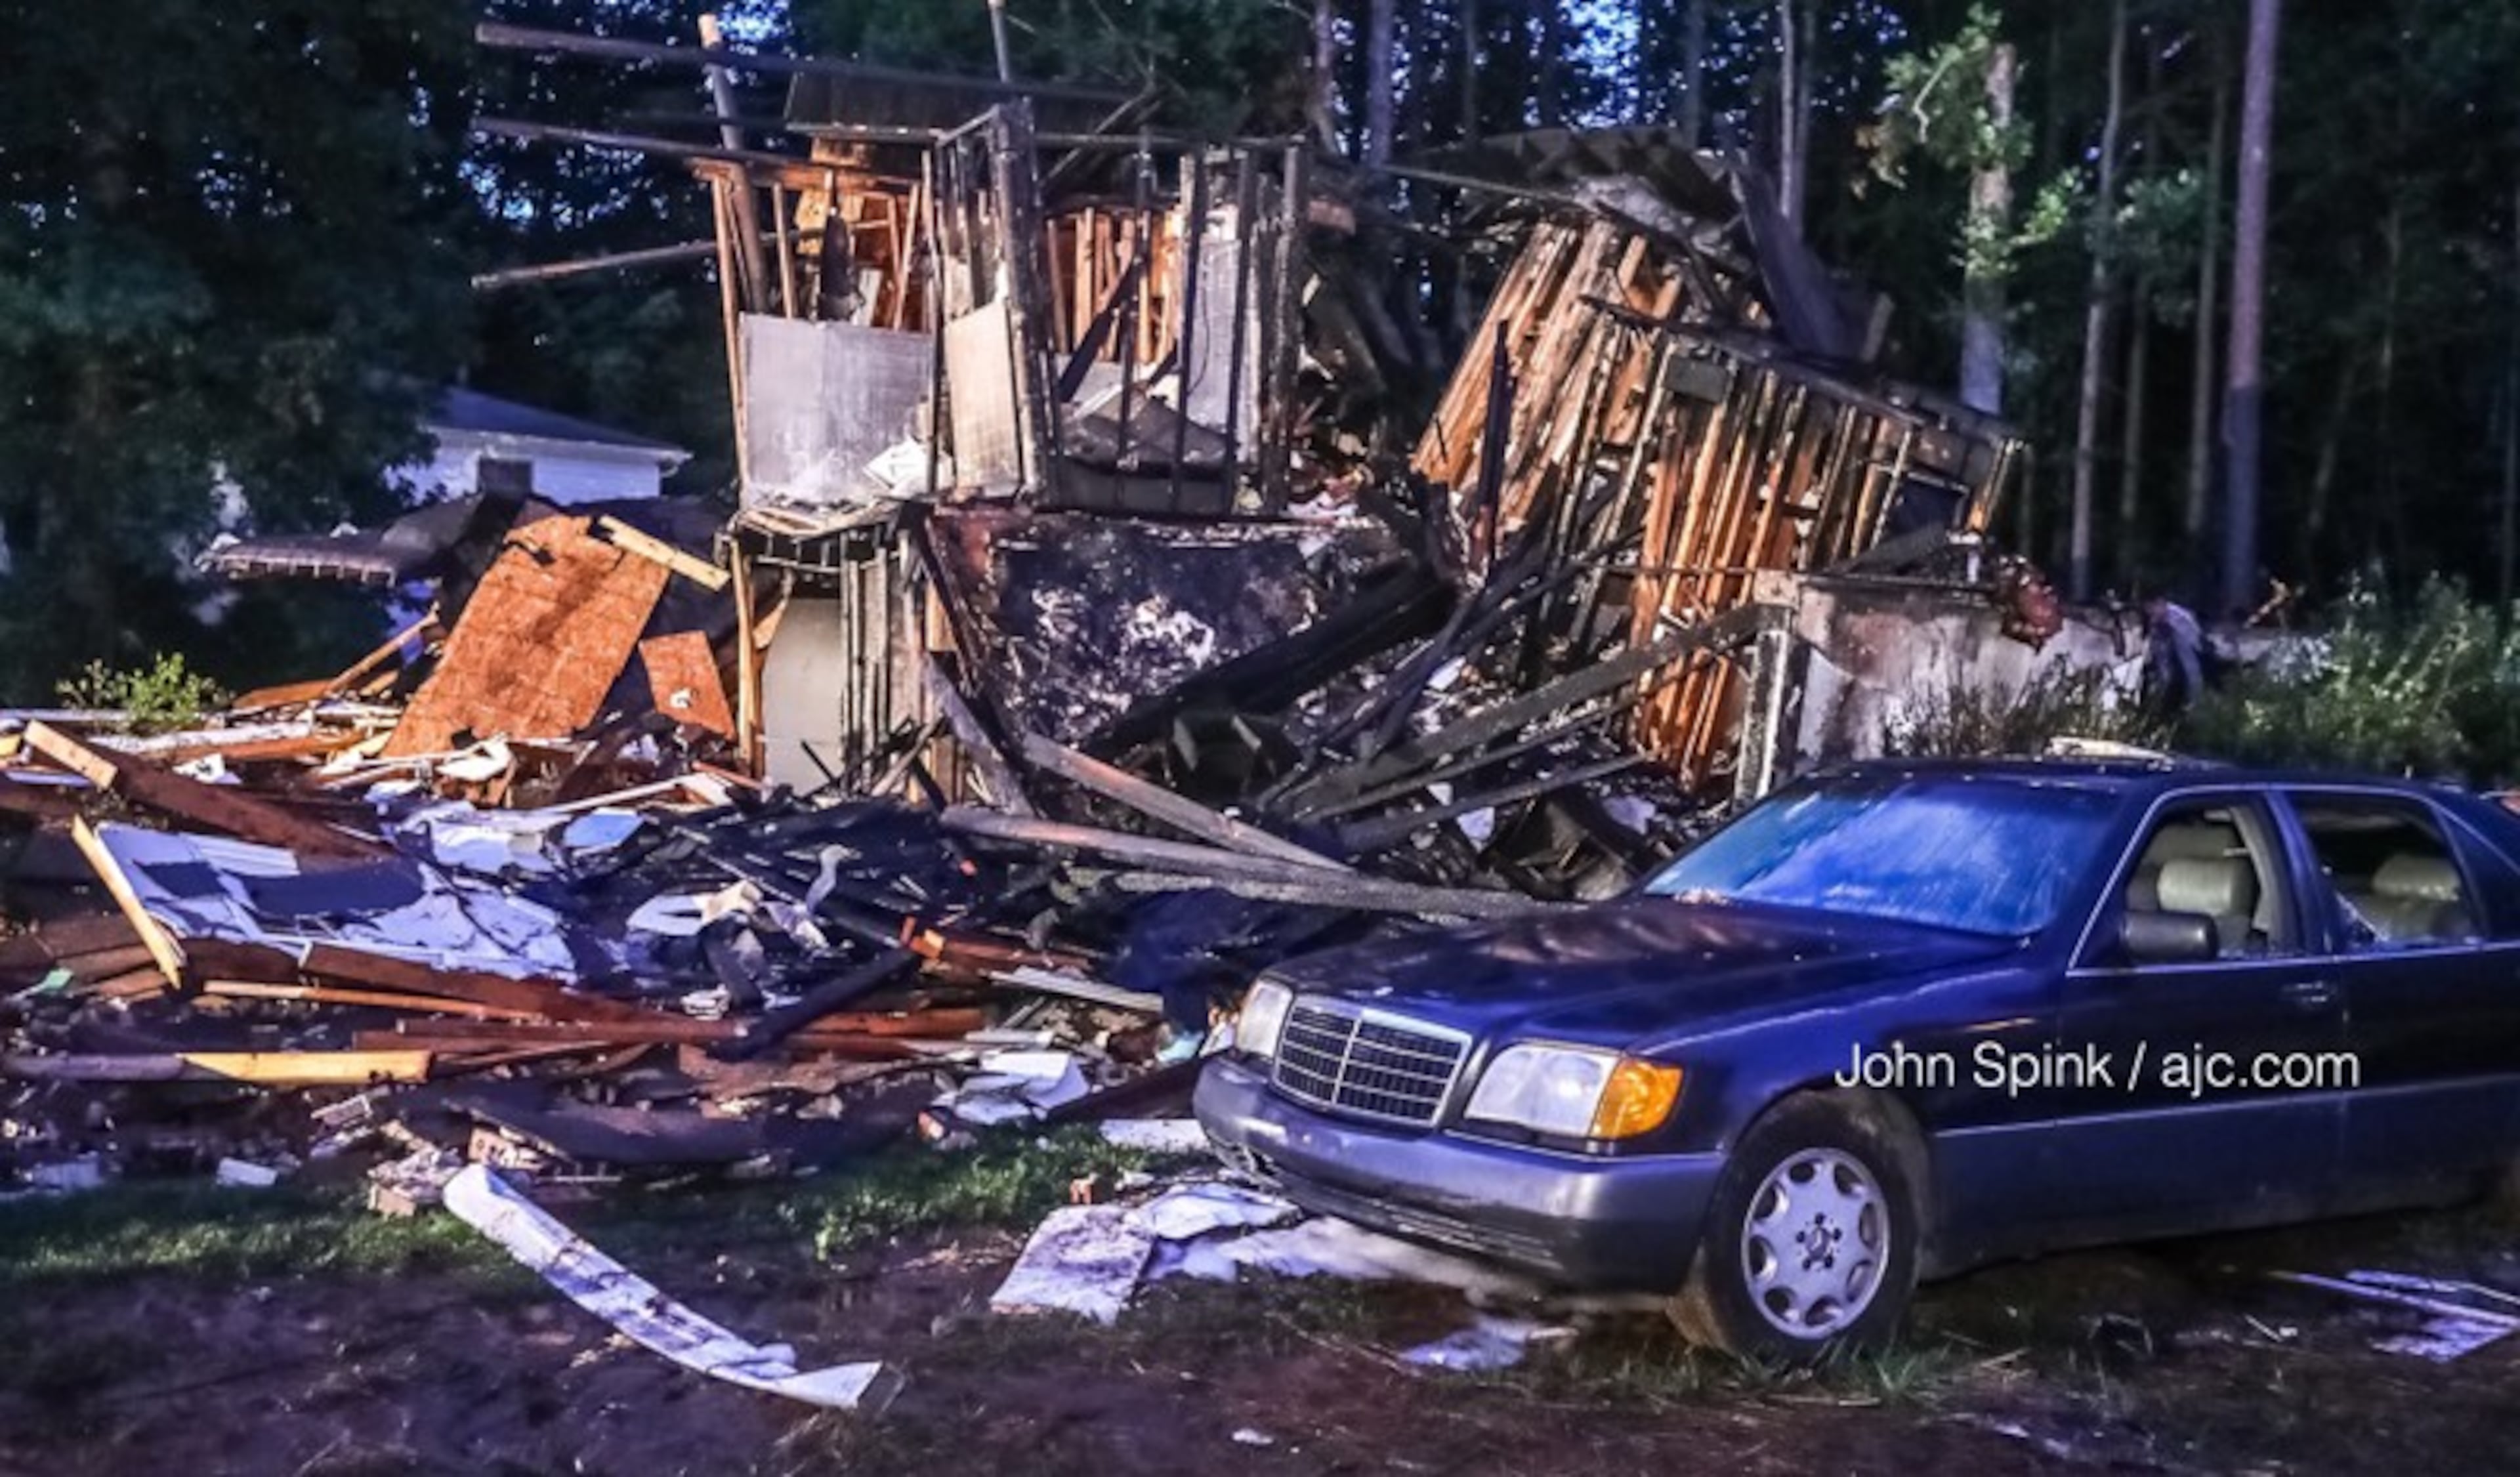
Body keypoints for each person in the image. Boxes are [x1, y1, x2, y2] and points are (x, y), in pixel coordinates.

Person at [2142, 592, 2208, 716]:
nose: (2150, 612)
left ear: (2160, 603)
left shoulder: (2178, 616)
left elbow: (2192, 640)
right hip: (2166, 652)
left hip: (2187, 647)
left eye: (2151, 608)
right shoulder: (2153, 619)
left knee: (2191, 672)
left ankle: (2195, 704)